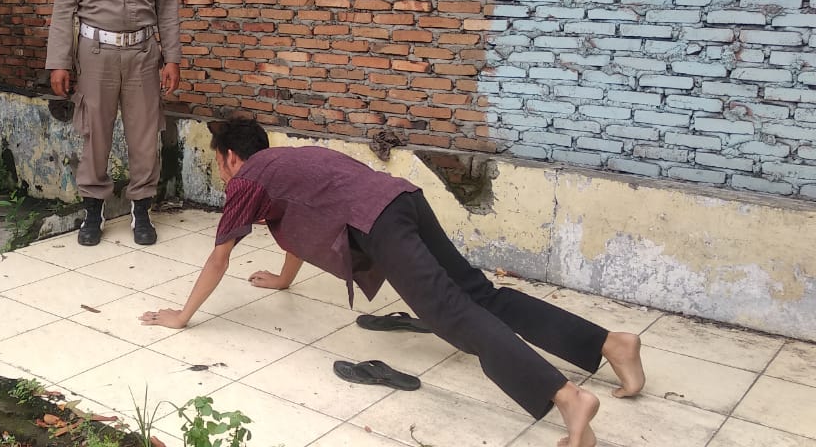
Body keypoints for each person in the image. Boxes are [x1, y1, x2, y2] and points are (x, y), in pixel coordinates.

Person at [141, 117, 647, 447]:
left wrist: (181, 316)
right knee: (479, 295)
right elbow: (299, 224)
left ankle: (567, 397)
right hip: (405, 200)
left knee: (452, 313)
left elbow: (219, 257)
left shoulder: (249, 178)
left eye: (218, 162)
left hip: (377, 221)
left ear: (231, 156)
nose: (223, 173)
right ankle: (611, 343)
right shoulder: (288, 160)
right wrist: (282, 278)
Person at [45, 0, 182, 247]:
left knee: (144, 135)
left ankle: (141, 209)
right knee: (95, 134)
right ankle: (93, 210)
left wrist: (172, 59)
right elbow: (63, 10)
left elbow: (168, 8)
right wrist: (58, 62)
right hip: (95, 54)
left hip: (142, 53)